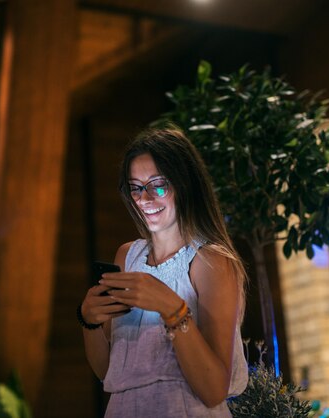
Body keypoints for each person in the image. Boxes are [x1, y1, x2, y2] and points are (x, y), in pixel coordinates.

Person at [78, 128, 249, 417]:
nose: (143, 198)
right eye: (135, 187)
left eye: (157, 185)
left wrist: (172, 308)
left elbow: (212, 389)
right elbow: (111, 373)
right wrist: (89, 321)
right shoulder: (126, 256)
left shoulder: (210, 261)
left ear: (185, 185)